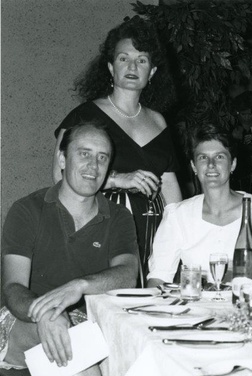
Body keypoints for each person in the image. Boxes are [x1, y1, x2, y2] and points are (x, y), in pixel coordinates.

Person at [0, 122, 139, 376]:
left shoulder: (118, 216)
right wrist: (46, 313)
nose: (93, 166)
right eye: (84, 154)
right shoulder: (27, 209)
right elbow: (14, 288)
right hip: (18, 327)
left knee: (54, 357)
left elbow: (127, 275)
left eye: (102, 158)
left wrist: (79, 286)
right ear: (62, 159)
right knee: (64, 332)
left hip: (83, 330)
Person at [53, 16, 182, 281]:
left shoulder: (159, 121)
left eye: (142, 60)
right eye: (124, 58)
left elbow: (170, 187)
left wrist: (181, 233)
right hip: (101, 226)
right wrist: (118, 179)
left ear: (153, 72)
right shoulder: (85, 116)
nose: (133, 66)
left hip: (154, 231)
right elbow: (59, 177)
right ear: (111, 67)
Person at [147, 123, 252, 286]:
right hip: (194, 307)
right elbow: (158, 278)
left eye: (219, 156)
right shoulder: (177, 215)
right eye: (203, 157)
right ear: (193, 166)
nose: (211, 164)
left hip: (247, 307)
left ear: (232, 164)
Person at [230, 90, 252, 191]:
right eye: (243, 114)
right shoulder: (233, 128)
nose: (247, 117)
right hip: (237, 175)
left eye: (250, 114)